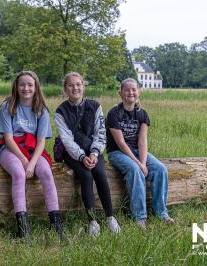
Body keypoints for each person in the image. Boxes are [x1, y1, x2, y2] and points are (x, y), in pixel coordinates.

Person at [0, 70, 62, 238]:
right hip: (11, 149)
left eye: (30, 85)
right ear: (16, 87)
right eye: (22, 84)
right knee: (18, 173)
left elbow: (41, 142)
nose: (26, 88)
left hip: (33, 149)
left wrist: (32, 163)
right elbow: (8, 139)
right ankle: (23, 230)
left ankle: (57, 226)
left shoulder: (41, 110)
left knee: (46, 172)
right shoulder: (8, 106)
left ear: (36, 87)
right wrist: (25, 162)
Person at [54, 72, 120, 236]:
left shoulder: (95, 106)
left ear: (83, 86)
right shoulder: (60, 111)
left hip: (93, 151)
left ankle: (110, 217)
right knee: (86, 176)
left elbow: (100, 133)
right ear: (65, 89)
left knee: (100, 173)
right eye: (70, 85)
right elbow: (67, 140)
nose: (75, 88)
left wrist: (95, 153)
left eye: (78, 84)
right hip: (73, 153)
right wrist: (82, 157)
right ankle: (92, 221)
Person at [106, 78, 174, 229]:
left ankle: (161, 212)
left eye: (134, 90)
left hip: (137, 151)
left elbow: (142, 140)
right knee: (135, 170)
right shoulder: (114, 113)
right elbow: (121, 143)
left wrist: (143, 162)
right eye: (127, 90)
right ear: (120, 93)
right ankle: (139, 217)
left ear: (138, 92)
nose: (131, 92)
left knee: (160, 169)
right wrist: (138, 164)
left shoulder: (142, 114)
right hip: (118, 152)